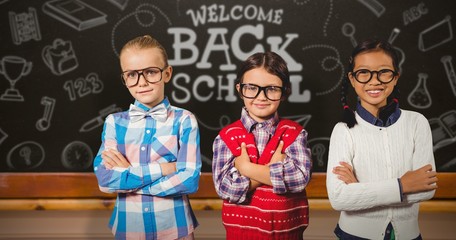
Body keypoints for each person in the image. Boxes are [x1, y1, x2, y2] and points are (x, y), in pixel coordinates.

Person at [326, 39, 438, 239]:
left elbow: (425, 190)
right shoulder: (343, 130)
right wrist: (402, 185)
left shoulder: (416, 123)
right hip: (355, 235)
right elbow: (339, 198)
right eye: (363, 73)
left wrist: (359, 189)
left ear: (395, 77)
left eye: (384, 72)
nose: (374, 81)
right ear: (352, 79)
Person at [93, 35, 202, 240]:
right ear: (125, 79)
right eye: (132, 74)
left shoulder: (184, 120)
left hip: (175, 229)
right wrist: (165, 169)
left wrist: (129, 176)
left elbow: (189, 180)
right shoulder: (114, 123)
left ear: (167, 73)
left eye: (151, 72)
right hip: (129, 228)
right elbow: (106, 181)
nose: (142, 82)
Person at [212, 51, 312, 240]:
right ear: (240, 89)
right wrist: (272, 168)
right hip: (240, 234)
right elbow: (226, 188)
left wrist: (246, 168)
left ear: (284, 92)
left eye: (272, 89)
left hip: (287, 234)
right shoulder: (227, 137)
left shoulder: (295, 133)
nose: (261, 96)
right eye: (251, 88)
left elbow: (300, 178)